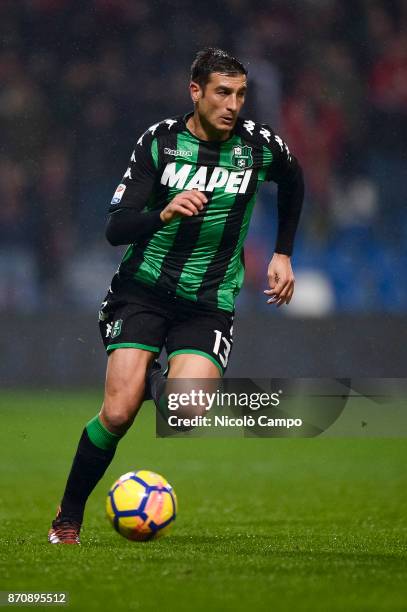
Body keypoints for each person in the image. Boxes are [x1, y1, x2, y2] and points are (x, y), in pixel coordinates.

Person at [48, 48, 304, 544]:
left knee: (185, 411)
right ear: (196, 91)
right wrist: (163, 213)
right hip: (143, 290)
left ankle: (147, 378)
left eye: (241, 94)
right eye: (222, 93)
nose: (233, 104)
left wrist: (283, 253)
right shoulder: (161, 144)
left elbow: (294, 181)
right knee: (118, 413)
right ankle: (67, 519)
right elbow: (115, 228)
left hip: (208, 300)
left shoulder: (259, 146)